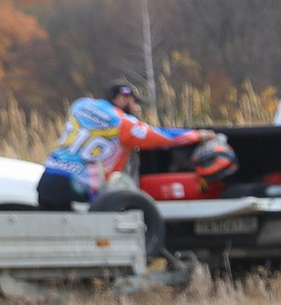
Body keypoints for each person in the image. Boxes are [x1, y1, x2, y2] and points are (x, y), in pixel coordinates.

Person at [38, 82, 205, 210]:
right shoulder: (123, 122)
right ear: (122, 99)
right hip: (77, 187)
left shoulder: (80, 105)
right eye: (134, 102)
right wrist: (197, 135)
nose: (137, 108)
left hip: (48, 176)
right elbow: (162, 137)